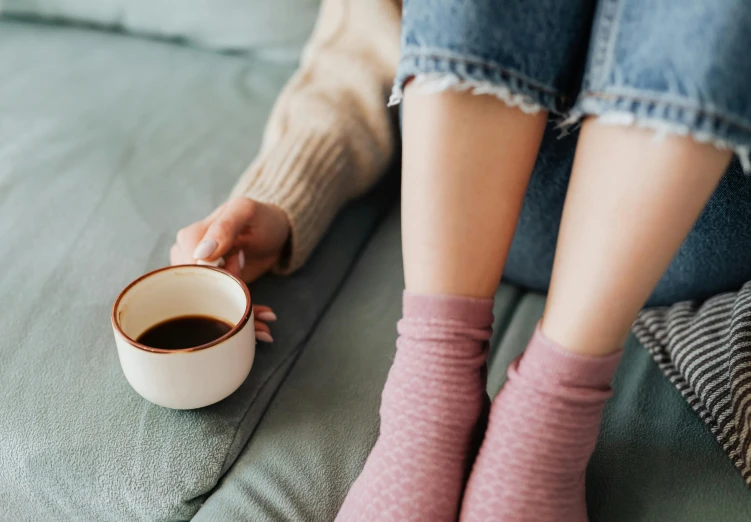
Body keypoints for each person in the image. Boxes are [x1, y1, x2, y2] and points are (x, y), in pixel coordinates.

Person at [172, 0, 751, 520]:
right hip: (489, 190)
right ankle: (432, 391)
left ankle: (549, 416)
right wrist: (283, 196)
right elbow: (369, 32)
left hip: (691, 205)